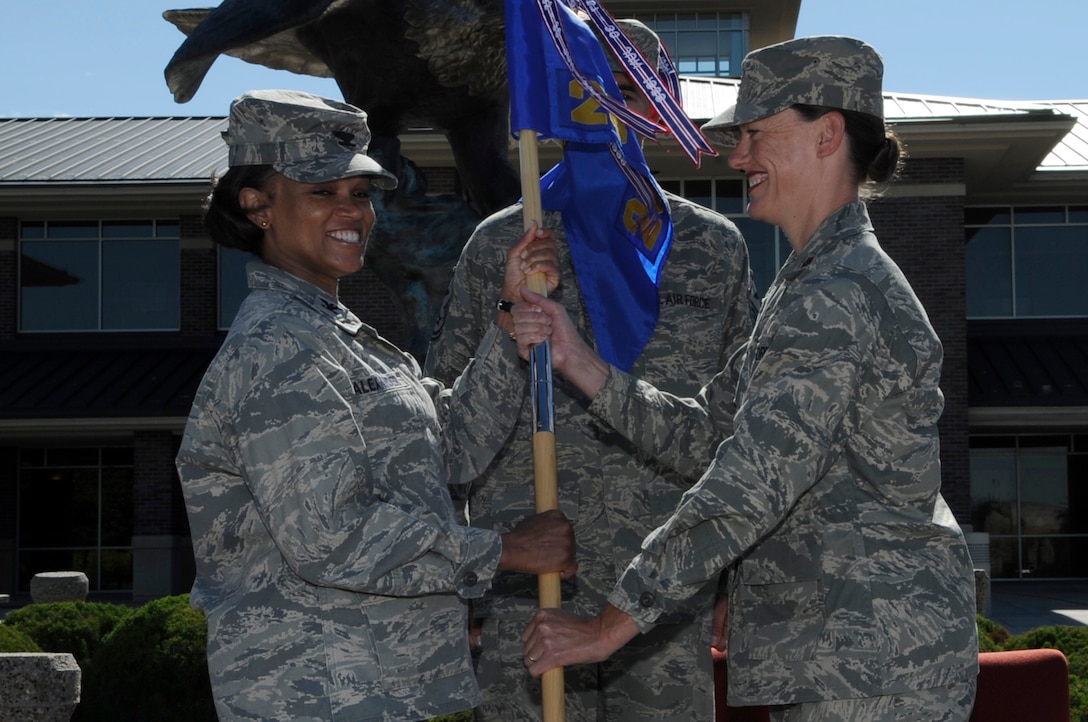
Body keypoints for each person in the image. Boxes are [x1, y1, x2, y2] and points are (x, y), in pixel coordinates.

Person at [517, 36, 980, 721]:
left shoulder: (838, 290)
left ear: (827, 135)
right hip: (848, 660)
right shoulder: (810, 284)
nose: (737, 157)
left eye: (756, 134)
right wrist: (577, 359)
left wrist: (609, 626)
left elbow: (750, 480)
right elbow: (710, 433)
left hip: (871, 666)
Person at [175, 89, 577, 722]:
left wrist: (508, 318)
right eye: (321, 192)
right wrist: (504, 551)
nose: (351, 212)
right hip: (316, 693)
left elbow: (455, 447)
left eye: (359, 194)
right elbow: (331, 538)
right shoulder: (279, 349)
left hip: (382, 688)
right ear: (256, 206)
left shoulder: (342, 338)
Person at [424, 19, 756, 722]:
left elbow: (742, 435)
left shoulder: (713, 248)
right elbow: (443, 424)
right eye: (598, 90)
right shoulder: (504, 245)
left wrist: (737, 577)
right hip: (533, 586)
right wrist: (464, 587)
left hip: (664, 593)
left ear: (665, 102)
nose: (617, 107)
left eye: (636, 88)